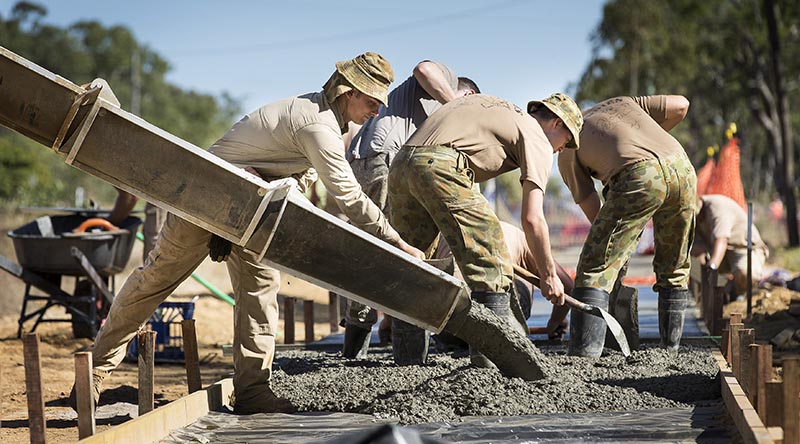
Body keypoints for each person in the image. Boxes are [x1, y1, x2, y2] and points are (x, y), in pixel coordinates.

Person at [69, 52, 425, 415]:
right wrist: (398, 243)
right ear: (348, 92)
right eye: (371, 101)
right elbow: (349, 196)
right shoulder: (316, 125)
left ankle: (252, 390)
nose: (377, 111)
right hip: (205, 195)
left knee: (261, 290)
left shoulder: (321, 119)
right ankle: (92, 377)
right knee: (154, 283)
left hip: (252, 210)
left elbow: (295, 179)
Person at [387, 92, 582, 367]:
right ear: (557, 124)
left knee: (415, 267)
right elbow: (532, 218)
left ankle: (407, 365)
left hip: (402, 163)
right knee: (491, 259)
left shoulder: (499, 109)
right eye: (567, 141)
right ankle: (493, 368)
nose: (562, 149)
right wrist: (549, 275)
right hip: (439, 165)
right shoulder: (536, 137)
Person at [341, 60, 480, 358]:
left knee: (367, 253)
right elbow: (423, 68)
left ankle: (354, 351)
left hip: (366, 163)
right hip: (384, 161)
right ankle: (403, 351)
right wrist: (455, 103)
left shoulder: (433, 115)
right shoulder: (446, 84)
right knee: (399, 253)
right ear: (467, 96)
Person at [558, 95, 696, 357]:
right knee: (675, 268)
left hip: (639, 176)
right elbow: (681, 105)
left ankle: (583, 358)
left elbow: (593, 212)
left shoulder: (567, 145)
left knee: (594, 267)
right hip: (683, 168)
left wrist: (616, 252)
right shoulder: (624, 103)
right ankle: (670, 351)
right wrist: (646, 142)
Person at [431, 221, 574, 351]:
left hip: (448, 318)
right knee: (515, 277)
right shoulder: (517, 235)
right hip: (505, 315)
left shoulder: (443, 232)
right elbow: (567, 286)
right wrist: (555, 321)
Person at [693, 194, 768, 296]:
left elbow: (722, 240)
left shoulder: (717, 207)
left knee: (745, 274)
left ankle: (736, 293)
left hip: (744, 248)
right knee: (691, 260)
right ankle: (708, 296)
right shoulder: (694, 218)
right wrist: (700, 273)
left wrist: (711, 268)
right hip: (720, 254)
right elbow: (698, 249)